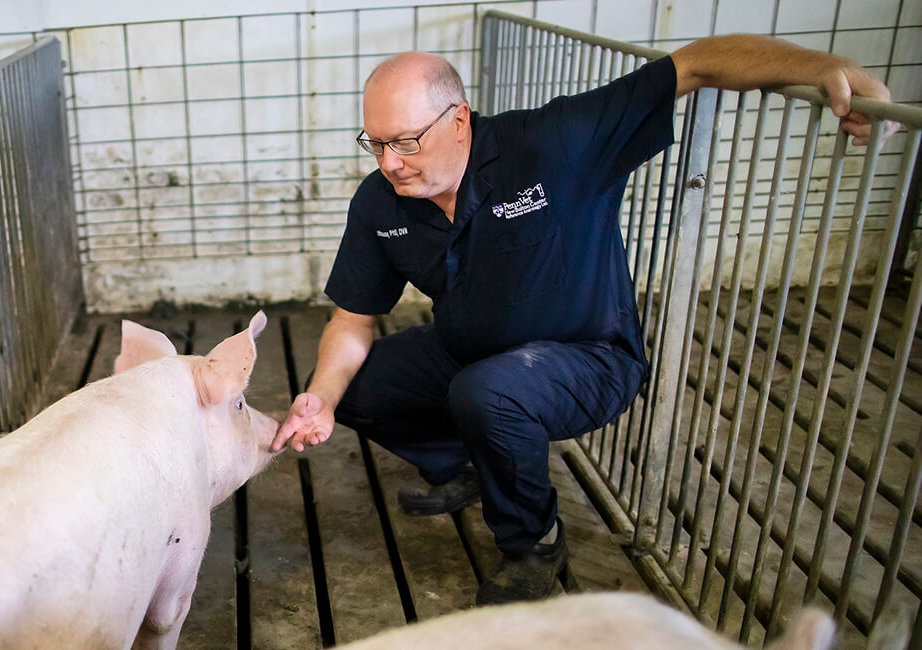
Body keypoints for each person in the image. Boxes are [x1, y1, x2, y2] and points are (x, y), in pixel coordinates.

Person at [272, 34, 892, 605]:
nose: (388, 162)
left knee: (488, 392)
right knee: (358, 385)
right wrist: (321, 399)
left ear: (458, 120)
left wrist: (826, 70)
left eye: (405, 141)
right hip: (469, 353)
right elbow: (351, 320)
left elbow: (697, 63)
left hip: (588, 356)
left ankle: (532, 541)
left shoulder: (555, 142)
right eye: (374, 142)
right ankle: (467, 463)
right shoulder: (381, 203)